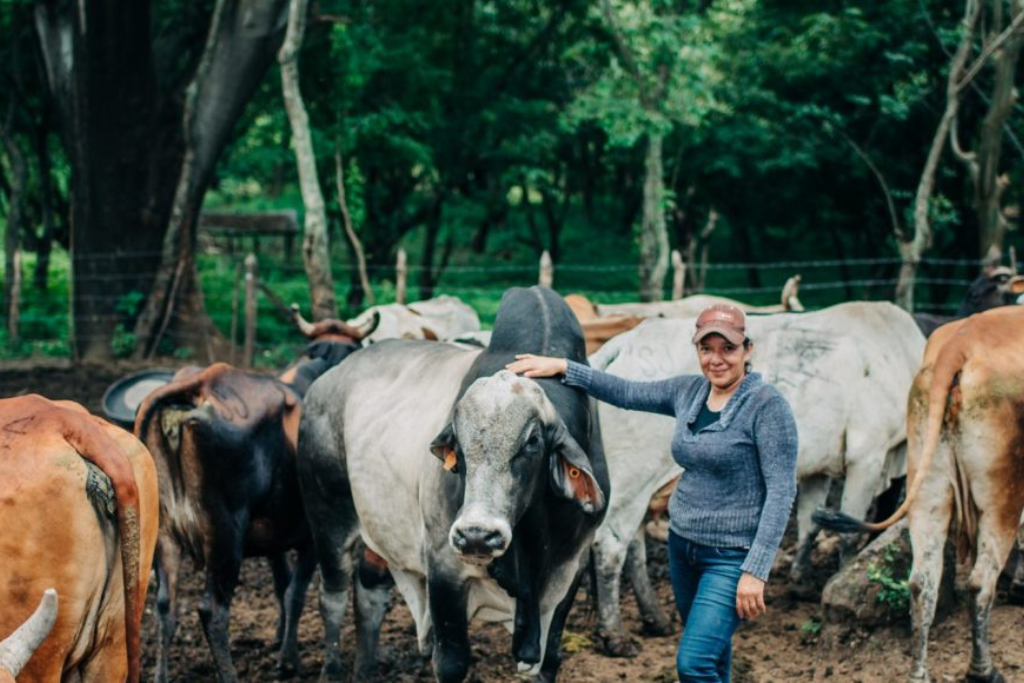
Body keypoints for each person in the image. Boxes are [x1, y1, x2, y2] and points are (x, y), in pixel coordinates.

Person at [506, 303, 798, 682]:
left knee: (693, 663)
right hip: (684, 549)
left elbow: (781, 491)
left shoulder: (767, 407)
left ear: (747, 350)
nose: (716, 359)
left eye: (728, 348)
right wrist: (565, 368)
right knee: (714, 654)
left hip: (731, 558)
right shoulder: (690, 392)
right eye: (706, 349)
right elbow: (626, 392)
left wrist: (756, 570)